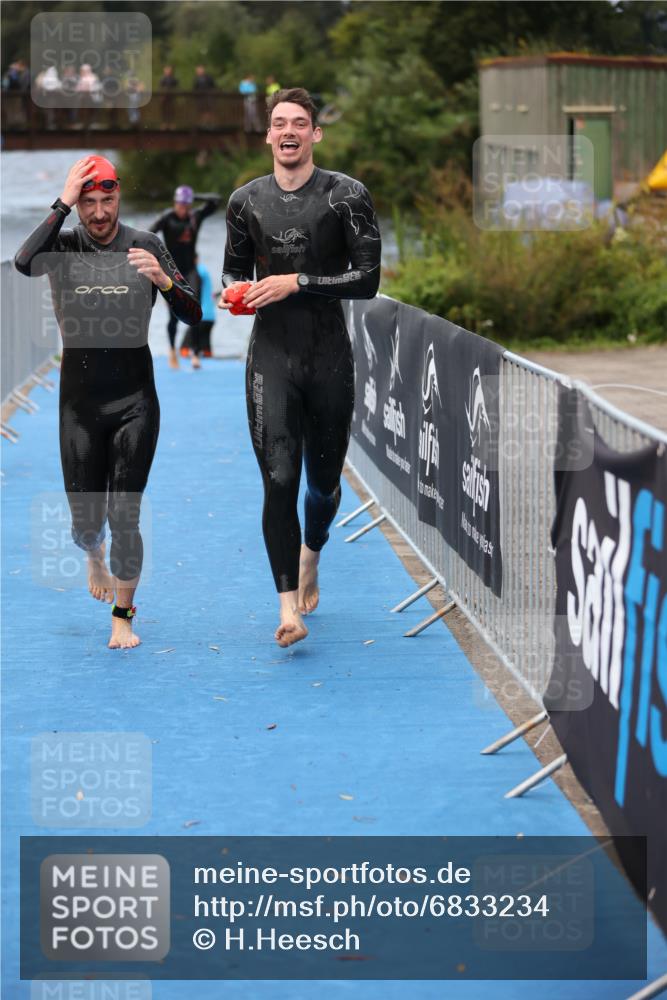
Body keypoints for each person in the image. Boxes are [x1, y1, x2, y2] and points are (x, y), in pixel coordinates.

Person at [14, 155, 202, 649]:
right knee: (86, 523)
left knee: (126, 513)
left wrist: (163, 280)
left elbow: (194, 313)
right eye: (88, 203)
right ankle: (91, 552)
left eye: (107, 200)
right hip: (78, 403)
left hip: (135, 399)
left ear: (120, 197)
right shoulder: (63, 245)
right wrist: (61, 202)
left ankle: (123, 616)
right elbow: (22, 262)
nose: (99, 213)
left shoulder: (146, 244)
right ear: (78, 204)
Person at [219, 87, 381, 648]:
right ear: (268, 134)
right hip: (271, 357)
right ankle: (287, 608)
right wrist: (233, 294)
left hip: (329, 354)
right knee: (278, 480)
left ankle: (312, 551)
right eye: (279, 122)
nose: (288, 131)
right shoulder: (245, 202)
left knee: (324, 484)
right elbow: (233, 272)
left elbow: (367, 279)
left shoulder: (346, 196)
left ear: (315, 134)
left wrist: (298, 282)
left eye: (300, 123)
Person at [149, 186, 221, 368]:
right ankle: (172, 349)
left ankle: (195, 353)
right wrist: (156, 260)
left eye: (186, 204)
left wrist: (193, 195)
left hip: (191, 270)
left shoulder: (195, 217)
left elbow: (216, 201)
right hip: (172, 272)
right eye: (180, 203)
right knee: (173, 316)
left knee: (195, 310)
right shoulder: (167, 218)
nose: (182, 208)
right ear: (175, 203)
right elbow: (149, 236)